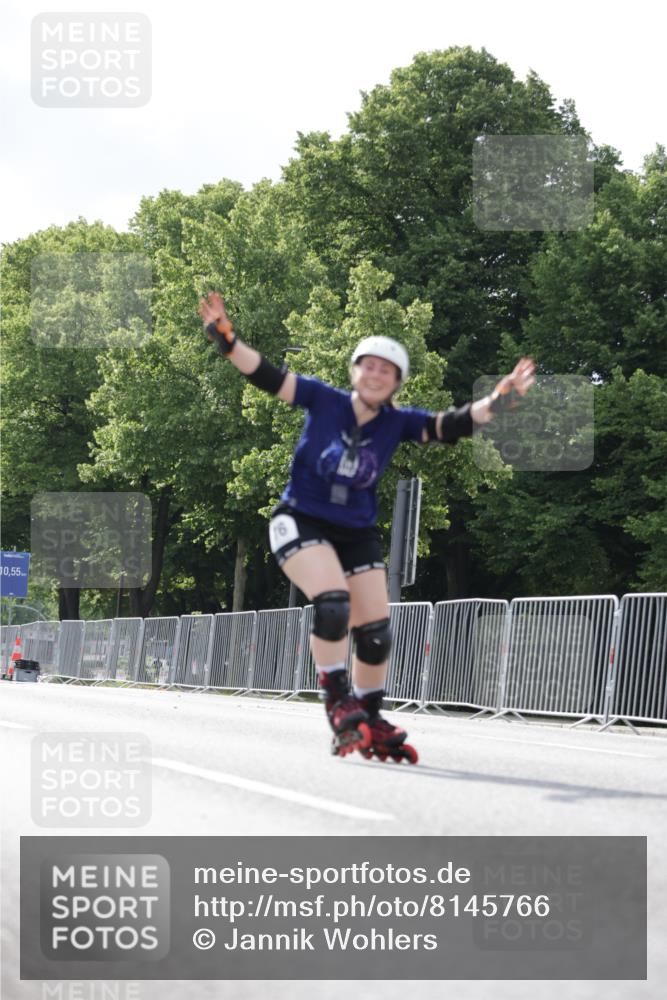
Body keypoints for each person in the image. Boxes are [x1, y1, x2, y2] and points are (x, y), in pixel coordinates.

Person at [198, 291, 535, 763]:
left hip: (355, 532)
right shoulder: (323, 399)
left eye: (387, 370)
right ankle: (338, 700)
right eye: (369, 366)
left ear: (397, 382)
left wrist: (499, 401)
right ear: (355, 371)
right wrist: (228, 341)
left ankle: (370, 713)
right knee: (334, 605)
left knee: (376, 632)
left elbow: (452, 424)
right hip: (299, 520)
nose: (376, 375)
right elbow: (268, 375)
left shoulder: (398, 423)